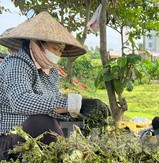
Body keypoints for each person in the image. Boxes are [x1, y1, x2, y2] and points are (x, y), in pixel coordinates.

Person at [0, 11, 108, 161]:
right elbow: (21, 101)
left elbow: (55, 107)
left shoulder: (51, 72)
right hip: (8, 141)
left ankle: (74, 155)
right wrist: (74, 104)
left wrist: (81, 110)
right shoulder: (16, 63)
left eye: (61, 50)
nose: (57, 54)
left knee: (76, 123)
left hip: (32, 139)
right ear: (36, 43)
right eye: (55, 48)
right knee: (43, 122)